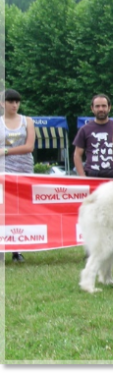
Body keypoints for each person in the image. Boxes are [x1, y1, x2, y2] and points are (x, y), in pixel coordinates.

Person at [73, 94, 113, 259]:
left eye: (104, 106)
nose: (101, 109)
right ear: (92, 109)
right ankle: (92, 250)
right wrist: (83, 178)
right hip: (93, 178)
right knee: (94, 217)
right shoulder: (85, 130)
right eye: (97, 106)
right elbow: (77, 155)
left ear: (109, 108)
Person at [1, 89, 35, 263]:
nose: (14, 105)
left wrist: (5, 151)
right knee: (2, 211)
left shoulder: (27, 121)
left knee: (19, 211)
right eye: (10, 101)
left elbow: (29, 147)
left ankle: (17, 250)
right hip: (2, 172)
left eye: (17, 102)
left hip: (24, 171)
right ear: (2, 103)